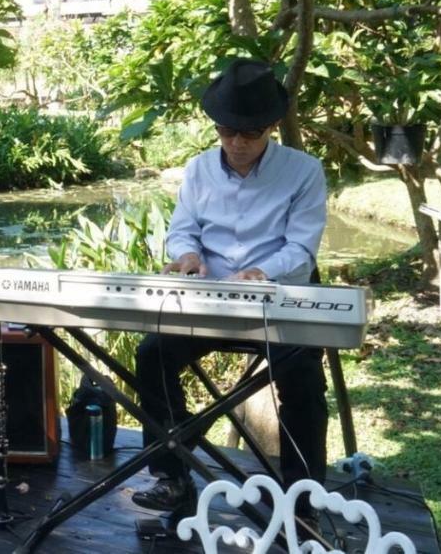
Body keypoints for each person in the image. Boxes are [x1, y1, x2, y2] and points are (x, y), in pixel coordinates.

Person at [131, 57, 329, 514]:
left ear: (271, 126)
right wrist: (187, 255)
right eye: (227, 131)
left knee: (301, 378)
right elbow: (183, 229)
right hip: (212, 298)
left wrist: (263, 272)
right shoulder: (199, 169)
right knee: (151, 355)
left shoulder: (303, 171)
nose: (237, 143)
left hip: (279, 299)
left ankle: (302, 497)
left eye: (250, 133)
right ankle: (172, 472)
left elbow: (302, 249)